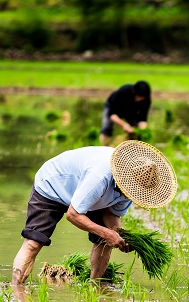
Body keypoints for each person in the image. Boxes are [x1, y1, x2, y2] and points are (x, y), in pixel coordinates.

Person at [11, 140, 178, 285]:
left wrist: (119, 236)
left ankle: (95, 288)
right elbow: (73, 214)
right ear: (123, 178)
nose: (132, 195)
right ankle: (16, 291)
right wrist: (106, 233)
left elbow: (112, 215)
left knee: (105, 242)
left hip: (89, 197)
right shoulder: (100, 176)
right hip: (53, 185)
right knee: (33, 243)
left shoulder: (134, 187)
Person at [100, 81, 151, 146]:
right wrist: (124, 125)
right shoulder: (124, 91)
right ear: (134, 93)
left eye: (141, 98)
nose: (139, 100)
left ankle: (129, 150)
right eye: (138, 97)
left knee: (135, 132)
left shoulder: (146, 99)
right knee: (107, 129)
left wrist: (142, 130)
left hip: (131, 110)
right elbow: (112, 115)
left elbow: (142, 118)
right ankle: (105, 148)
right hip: (114, 107)